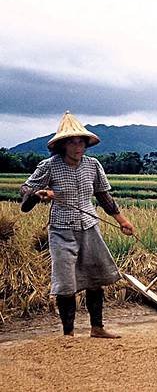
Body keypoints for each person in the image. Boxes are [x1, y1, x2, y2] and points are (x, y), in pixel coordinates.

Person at [20, 111, 135, 338]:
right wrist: (37, 194)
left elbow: (103, 196)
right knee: (65, 283)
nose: (77, 147)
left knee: (95, 278)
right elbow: (25, 193)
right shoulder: (49, 166)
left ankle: (97, 328)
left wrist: (122, 221)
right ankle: (68, 334)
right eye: (72, 142)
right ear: (62, 145)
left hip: (89, 226)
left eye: (80, 142)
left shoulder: (93, 165)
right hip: (62, 231)